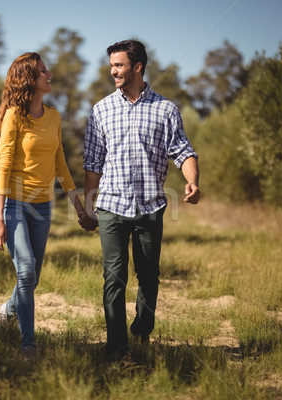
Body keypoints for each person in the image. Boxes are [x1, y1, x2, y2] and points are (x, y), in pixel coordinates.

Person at [79, 40, 200, 360]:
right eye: (111, 66)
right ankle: (116, 346)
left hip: (150, 207)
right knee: (113, 276)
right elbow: (93, 164)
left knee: (148, 276)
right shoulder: (101, 109)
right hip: (112, 207)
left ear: (137, 67)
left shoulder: (165, 109)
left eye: (118, 65)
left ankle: (143, 328)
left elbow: (184, 151)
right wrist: (89, 209)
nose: (113, 71)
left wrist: (192, 181)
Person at [0, 52, 84, 360]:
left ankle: (7, 309)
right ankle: (28, 343)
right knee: (27, 271)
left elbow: (60, 162)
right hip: (16, 205)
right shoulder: (14, 116)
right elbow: (4, 165)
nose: (50, 73)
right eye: (44, 70)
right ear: (29, 77)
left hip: (43, 207)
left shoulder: (54, 116)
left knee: (32, 278)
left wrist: (78, 206)